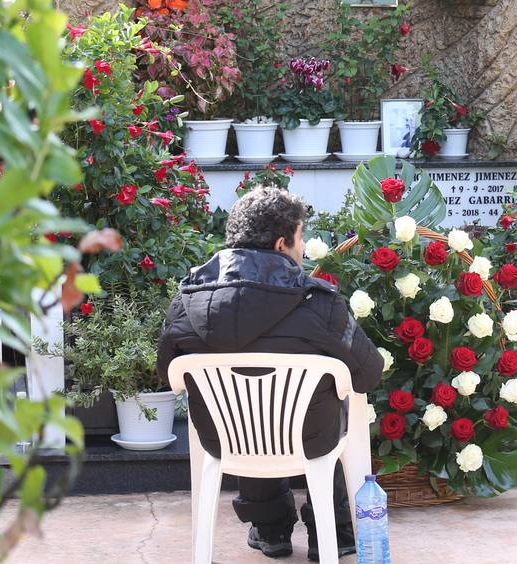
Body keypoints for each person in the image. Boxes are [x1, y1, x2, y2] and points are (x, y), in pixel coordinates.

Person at [157, 187, 384, 561]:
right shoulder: (320, 303)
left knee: (243, 413)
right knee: (338, 400)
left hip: (222, 441)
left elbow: (169, 373)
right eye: (301, 236)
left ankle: (269, 529)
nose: (304, 246)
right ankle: (335, 531)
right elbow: (369, 374)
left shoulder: (186, 301)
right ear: (282, 244)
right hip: (311, 442)